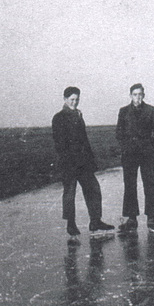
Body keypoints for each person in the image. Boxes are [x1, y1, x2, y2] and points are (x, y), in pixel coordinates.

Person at [52, 86, 115, 237]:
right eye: (72, 99)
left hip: (84, 163)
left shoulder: (78, 115)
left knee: (93, 189)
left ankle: (95, 221)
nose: (75, 102)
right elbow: (60, 144)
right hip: (69, 163)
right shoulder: (59, 117)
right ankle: (71, 224)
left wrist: (90, 160)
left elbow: (84, 140)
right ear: (65, 99)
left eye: (77, 99)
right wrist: (69, 161)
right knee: (70, 193)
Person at [116, 83, 154, 234]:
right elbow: (119, 133)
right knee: (130, 185)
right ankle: (131, 218)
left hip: (146, 154)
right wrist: (126, 147)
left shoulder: (151, 110)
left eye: (140, 94)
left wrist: (151, 147)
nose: (137, 97)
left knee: (149, 185)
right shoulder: (123, 111)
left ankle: (151, 218)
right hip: (129, 155)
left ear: (144, 95)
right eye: (135, 94)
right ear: (130, 95)